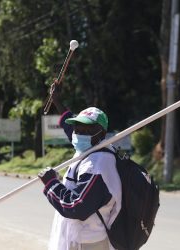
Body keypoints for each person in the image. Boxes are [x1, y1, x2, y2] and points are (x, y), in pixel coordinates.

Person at [38, 85, 122, 250]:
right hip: (79, 239)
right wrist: (57, 100)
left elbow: (76, 207)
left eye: (87, 128)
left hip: (89, 243)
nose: (79, 133)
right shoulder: (89, 146)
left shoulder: (97, 165)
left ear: (102, 133)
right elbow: (71, 128)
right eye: (78, 127)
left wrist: (51, 184)